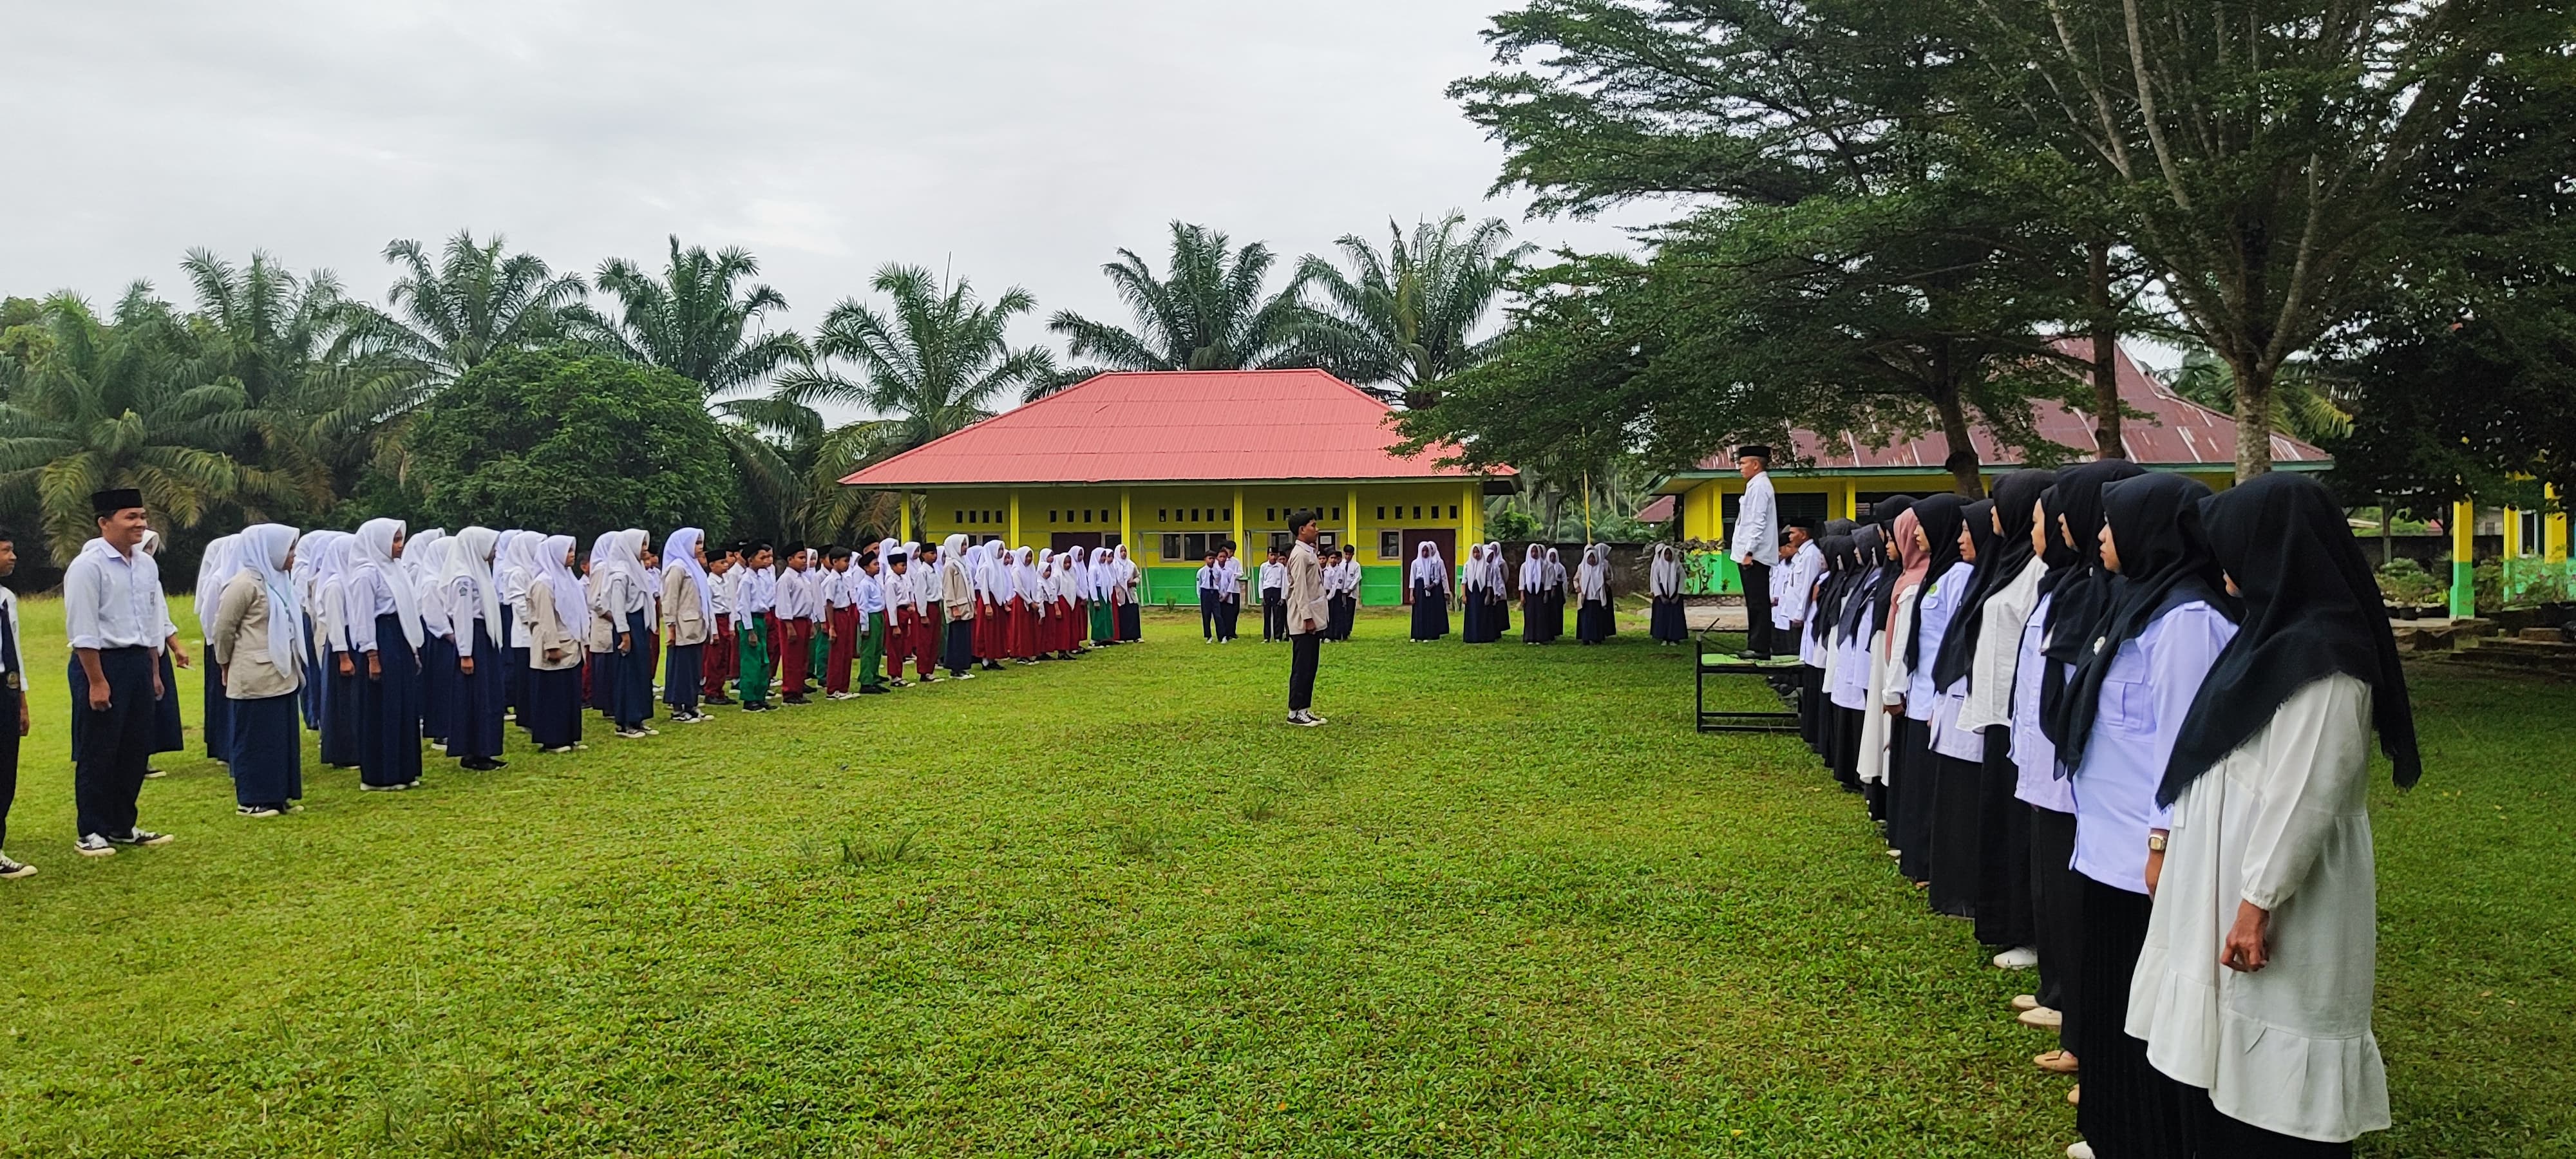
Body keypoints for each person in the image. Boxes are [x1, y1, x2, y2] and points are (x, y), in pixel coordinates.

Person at [2120, 473, 2418, 1156]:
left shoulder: (2328, 658)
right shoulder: (2266, 636)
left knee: (2277, 1074)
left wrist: (2258, 903)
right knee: (2226, 1071)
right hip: (2221, 875)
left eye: (2231, 547)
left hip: (2274, 895)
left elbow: (2305, 795)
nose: (2221, 564)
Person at [2056, 472, 2239, 1159]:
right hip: (2105, 845)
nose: (2101, 536)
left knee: (2147, 1011)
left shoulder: (2187, 622)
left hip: (2148, 856)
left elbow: (2187, 751)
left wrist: (2162, 841)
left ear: (2149, 533)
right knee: (2110, 997)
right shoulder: (2139, 605)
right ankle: (2109, 1130)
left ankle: (2140, 1138)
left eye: (2112, 524)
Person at [1942, 471, 2058, 967]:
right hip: (1998, 716)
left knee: (2019, 831)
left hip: (2019, 719)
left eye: (2000, 509)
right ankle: (2005, 923)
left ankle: (2027, 934)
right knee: (2001, 823)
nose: (1989, 518)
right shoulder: (2011, 565)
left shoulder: (2038, 572)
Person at [207, 522, 304, 816]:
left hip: (282, 671)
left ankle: (277, 795)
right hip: (255, 673)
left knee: (279, 736)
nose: (293, 556)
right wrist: (224, 663)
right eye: (288, 549)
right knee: (254, 737)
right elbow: (223, 629)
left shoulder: (279, 581)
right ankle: (251, 800)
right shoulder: (244, 584)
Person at [346, 517, 426, 793]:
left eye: (401, 539)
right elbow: (363, 618)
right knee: (382, 707)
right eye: (394, 540)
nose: (400, 546)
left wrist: (413, 647)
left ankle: (404, 769)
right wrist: (372, 655)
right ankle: (381, 775)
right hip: (381, 640)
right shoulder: (366, 573)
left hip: (399, 638)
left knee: (403, 704)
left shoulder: (395, 569)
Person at [440, 527, 509, 769]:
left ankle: (484, 750)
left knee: (487, 695)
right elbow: (462, 618)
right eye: (491, 546)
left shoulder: (478, 573)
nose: (494, 551)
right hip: (473, 640)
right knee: (477, 697)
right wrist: (466, 653)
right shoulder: (464, 578)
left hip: (482, 639)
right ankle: (475, 752)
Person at [522, 534, 588, 751]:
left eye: (572, 551)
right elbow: (545, 618)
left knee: (569, 693)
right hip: (556, 646)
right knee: (553, 693)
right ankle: (552, 740)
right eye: (568, 551)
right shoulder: (544, 582)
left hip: (571, 644)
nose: (572, 556)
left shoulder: (567, 579)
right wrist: (552, 646)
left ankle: (569, 736)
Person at [193, 533, 242, 766]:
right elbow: (209, 615)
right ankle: (223, 746)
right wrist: (218, 645)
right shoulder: (218, 580)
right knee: (221, 697)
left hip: (236, 647)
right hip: (219, 645)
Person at [1729, 445, 1781, 659]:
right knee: (1754, 601)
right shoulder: (1755, 486)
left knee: (1758, 601)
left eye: (1743, 463)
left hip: (1755, 555)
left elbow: (1757, 522)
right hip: (1750, 553)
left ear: (1756, 464)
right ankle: (1755, 644)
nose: (1740, 467)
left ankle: (1759, 647)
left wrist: (1749, 551)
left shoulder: (1760, 487)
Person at [659, 527, 715, 724]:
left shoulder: (694, 566)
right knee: (680, 667)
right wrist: (671, 627)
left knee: (694, 668)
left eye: (701, 543)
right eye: (696, 543)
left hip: (696, 626)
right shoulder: (677, 568)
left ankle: (691, 705)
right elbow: (670, 599)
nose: (700, 547)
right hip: (683, 626)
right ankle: (677, 709)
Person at [0, 529, 31, 878]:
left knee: (6, 770)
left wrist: (21, 702)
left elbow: (16, 653)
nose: (13, 557)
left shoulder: (7, 598)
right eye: (6, 550)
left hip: (4, 690)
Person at [1283, 510, 1329, 727]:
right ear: (1302, 530)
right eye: (1313, 525)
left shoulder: (1309, 552)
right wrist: (1307, 618)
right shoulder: (1299, 555)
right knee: (1302, 667)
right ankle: (1294, 712)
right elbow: (1300, 590)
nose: (1317, 530)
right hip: (1303, 621)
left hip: (1314, 618)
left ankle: (1305, 709)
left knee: (1311, 666)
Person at [734, 543, 777, 711]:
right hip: (750, 620)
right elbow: (743, 606)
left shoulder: (762, 577)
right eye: (762, 558)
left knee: (763, 660)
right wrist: (750, 630)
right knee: (751, 660)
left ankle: (761, 695)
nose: (767, 561)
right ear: (751, 560)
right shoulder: (746, 580)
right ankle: (749, 698)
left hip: (761, 619)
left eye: (768, 557)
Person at [702, 543, 738, 706]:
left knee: (724, 658)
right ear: (712, 565)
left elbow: (731, 604)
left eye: (726, 562)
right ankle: (711, 691)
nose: (726, 565)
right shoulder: (709, 583)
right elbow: (708, 609)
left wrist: (731, 627)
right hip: (715, 620)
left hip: (725, 619)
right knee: (714, 659)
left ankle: (720, 690)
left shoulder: (726, 581)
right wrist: (714, 632)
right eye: (722, 563)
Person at [822, 545, 859, 699]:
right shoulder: (831, 580)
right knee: (837, 654)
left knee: (846, 652)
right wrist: (832, 626)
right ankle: (833, 688)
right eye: (845, 561)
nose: (847, 564)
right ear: (835, 562)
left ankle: (843, 687)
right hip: (837, 615)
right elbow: (829, 604)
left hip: (846, 613)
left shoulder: (843, 578)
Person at [940, 534, 978, 679]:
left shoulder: (963, 564)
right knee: (957, 638)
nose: (965, 548)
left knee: (964, 638)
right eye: (962, 545)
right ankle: (955, 669)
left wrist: (973, 605)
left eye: (965, 545)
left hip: (966, 606)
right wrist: (953, 607)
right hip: (958, 607)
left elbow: (969, 586)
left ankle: (963, 667)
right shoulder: (950, 566)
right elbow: (948, 589)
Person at [853, 549, 890, 693]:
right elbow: (863, 606)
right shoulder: (864, 585)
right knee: (868, 650)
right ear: (866, 568)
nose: (878, 567)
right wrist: (865, 626)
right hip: (871, 617)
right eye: (875, 564)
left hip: (879, 615)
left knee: (877, 649)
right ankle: (866, 681)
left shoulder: (875, 582)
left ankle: (874, 677)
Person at [911, 540, 944, 681]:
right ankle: (924, 671)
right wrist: (923, 614)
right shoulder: (922, 572)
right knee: (926, 641)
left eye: (935, 553)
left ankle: (930, 668)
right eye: (931, 553)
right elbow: (920, 594)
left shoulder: (935, 570)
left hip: (936, 606)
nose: (934, 556)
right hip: (927, 608)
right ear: (923, 555)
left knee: (935, 640)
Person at [1410, 541, 1452, 642]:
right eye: (1423, 551)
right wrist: (1411, 594)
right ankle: (1417, 635)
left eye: (1427, 551)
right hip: (1419, 589)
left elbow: (1438, 578)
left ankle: (1428, 634)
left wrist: (1432, 586)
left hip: (1430, 589)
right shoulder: (1415, 563)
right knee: (1418, 612)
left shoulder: (1433, 563)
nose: (1425, 553)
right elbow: (1412, 579)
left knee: (1428, 612)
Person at [1571, 545, 1613, 644]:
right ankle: (1586, 638)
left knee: (1597, 619)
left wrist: (1606, 586)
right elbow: (1575, 579)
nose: (1591, 559)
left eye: (1593, 557)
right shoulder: (1582, 568)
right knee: (1586, 619)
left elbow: (1609, 578)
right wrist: (1577, 587)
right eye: (1589, 557)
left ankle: (1597, 638)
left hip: (1597, 598)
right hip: (1585, 598)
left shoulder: (1601, 568)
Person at [1649, 544, 1688, 644]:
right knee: (1663, 617)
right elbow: (1655, 581)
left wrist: (1678, 596)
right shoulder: (1658, 567)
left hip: (1675, 594)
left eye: (1670, 554)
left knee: (1675, 617)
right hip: (1662, 594)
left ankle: (1675, 638)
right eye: (1666, 554)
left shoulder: (1678, 566)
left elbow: (1683, 580)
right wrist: (1661, 596)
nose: (1668, 556)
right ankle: (1664, 638)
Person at [1113, 543, 1142, 642]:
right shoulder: (1114, 565)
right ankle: (1123, 637)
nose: (1124, 553)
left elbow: (1138, 576)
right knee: (1122, 615)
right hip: (1120, 594)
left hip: (1130, 594)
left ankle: (1135, 636)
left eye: (1125, 551)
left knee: (1133, 614)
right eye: (1121, 551)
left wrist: (1134, 582)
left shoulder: (1131, 564)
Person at [1259, 547, 1287, 643]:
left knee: (1278, 615)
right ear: (1268, 556)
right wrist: (1261, 596)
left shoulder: (1281, 567)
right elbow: (1261, 581)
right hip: (1267, 590)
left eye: (1275, 555)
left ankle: (1277, 637)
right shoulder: (1263, 566)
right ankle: (1267, 637)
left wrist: (1283, 597)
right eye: (1271, 555)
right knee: (1267, 615)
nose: (1273, 557)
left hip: (1277, 590)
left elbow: (1284, 582)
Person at [1542, 547, 1569, 642]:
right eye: (1551, 556)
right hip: (1547, 590)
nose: (1552, 558)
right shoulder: (1545, 567)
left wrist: (1565, 594)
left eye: (1554, 556)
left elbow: (1565, 581)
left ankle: (1556, 631)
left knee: (1556, 612)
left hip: (1558, 592)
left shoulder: (1561, 568)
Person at [1197, 550, 1222, 643]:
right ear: (1205, 559)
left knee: (1218, 615)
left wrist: (1220, 593)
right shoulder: (1201, 571)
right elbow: (1199, 584)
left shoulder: (1217, 571)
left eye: (1213, 558)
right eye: (1210, 558)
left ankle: (1221, 636)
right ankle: (1208, 636)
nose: (1211, 560)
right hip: (1205, 592)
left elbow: (1219, 582)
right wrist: (1200, 596)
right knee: (1206, 615)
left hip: (1215, 593)